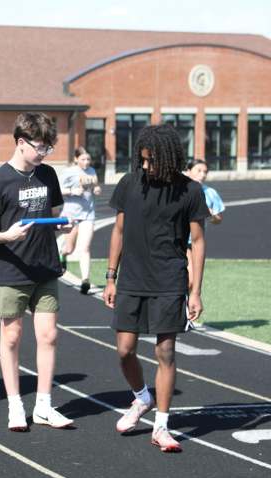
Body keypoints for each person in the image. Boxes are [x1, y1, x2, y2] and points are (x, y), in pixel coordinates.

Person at [103, 125, 209, 453]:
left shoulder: (189, 191)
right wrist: (110, 275)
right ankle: (141, 398)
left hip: (169, 279)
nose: (145, 166)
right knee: (124, 350)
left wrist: (195, 291)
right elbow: (118, 231)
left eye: (150, 161)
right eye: (142, 160)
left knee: (165, 352)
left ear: (166, 158)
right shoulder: (129, 184)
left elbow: (199, 241)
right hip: (132, 278)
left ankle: (161, 426)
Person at [0, 112, 75, 432]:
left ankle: (44, 406)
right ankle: (15, 405)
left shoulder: (47, 175)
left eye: (49, 149)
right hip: (13, 271)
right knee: (12, 336)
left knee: (48, 335)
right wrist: (7, 236)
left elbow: (56, 215)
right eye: (41, 148)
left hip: (45, 267)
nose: (45, 154)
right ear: (21, 143)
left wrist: (66, 226)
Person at [59, 147, 101, 294]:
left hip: (88, 215)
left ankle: (85, 280)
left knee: (84, 248)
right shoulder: (69, 172)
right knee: (69, 249)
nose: (86, 162)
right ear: (76, 159)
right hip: (71, 215)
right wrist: (71, 191)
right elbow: (57, 190)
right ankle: (62, 256)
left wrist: (97, 189)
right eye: (83, 159)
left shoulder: (91, 171)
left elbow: (95, 186)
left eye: (88, 159)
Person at [185, 159, 224, 294]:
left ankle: (186, 310)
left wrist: (211, 214)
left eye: (205, 172)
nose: (202, 175)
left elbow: (218, 219)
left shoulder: (210, 193)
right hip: (180, 242)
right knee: (189, 280)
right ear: (188, 171)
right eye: (199, 171)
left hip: (196, 242)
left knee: (194, 282)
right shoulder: (179, 190)